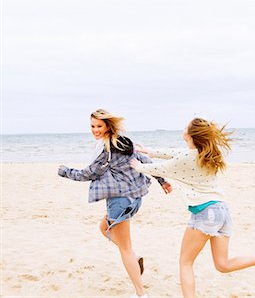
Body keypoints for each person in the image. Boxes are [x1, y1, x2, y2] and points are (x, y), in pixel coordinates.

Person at [130, 117, 255, 298]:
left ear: (189, 135)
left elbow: (162, 168)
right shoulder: (207, 153)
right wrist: (148, 150)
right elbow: (173, 153)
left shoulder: (187, 157)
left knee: (185, 262)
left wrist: (138, 166)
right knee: (222, 264)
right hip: (222, 212)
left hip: (205, 214)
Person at [58, 109, 172, 298]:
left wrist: (64, 171)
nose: (95, 130)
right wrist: (162, 181)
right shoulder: (125, 142)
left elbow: (88, 174)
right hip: (134, 199)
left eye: (99, 126)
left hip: (120, 201)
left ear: (108, 126)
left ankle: (141, 293)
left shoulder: (107, 149)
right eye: (92, 126)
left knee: (124, 248)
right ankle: (135, 260)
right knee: (104, 229)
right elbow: (146, 161)